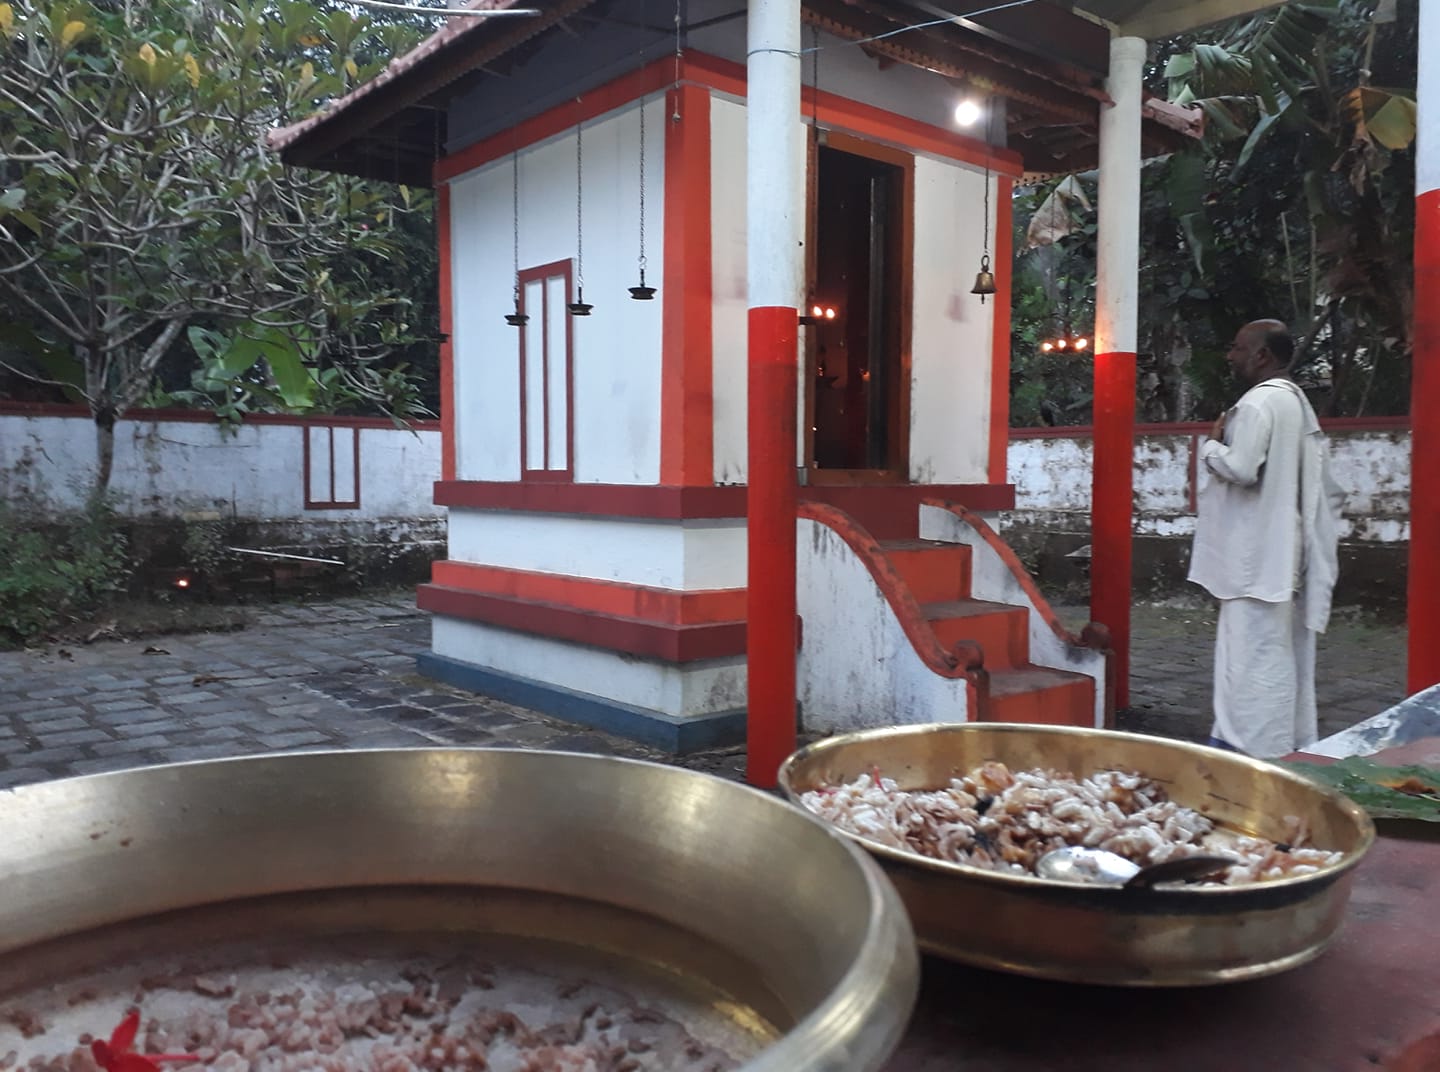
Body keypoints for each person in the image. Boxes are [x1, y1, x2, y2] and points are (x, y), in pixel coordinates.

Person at [1187, 319, 1344, 758]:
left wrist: (1211, 447)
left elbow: (1241, 467)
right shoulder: (1295, 403)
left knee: (1248, 660)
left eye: (1238, 348)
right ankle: (1284, 744)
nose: (1231, 355)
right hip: (1281, 551)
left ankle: (1248, 751)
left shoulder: (1257, 405)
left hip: (1252, 558)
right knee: (1276, 653)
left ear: (1262, 356)